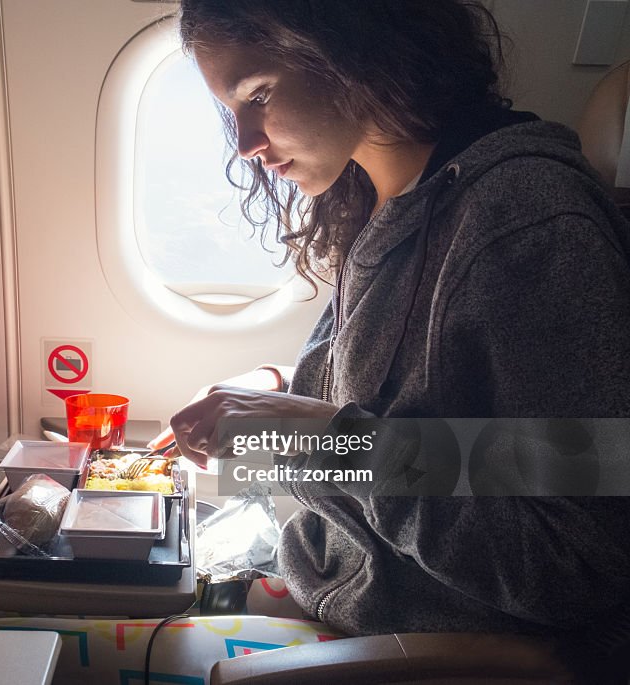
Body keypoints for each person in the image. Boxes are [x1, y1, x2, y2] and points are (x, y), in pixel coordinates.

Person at [153, 0, 630, 664]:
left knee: (20, 646)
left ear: (350, 46)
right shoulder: (383, 203)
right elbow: (409, 427)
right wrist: (262, 409)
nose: (246, 143)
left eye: (258, 94)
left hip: (426, 652)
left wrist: (322, 434)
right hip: (335, 584)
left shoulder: (524, 222)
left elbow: (578, 560)